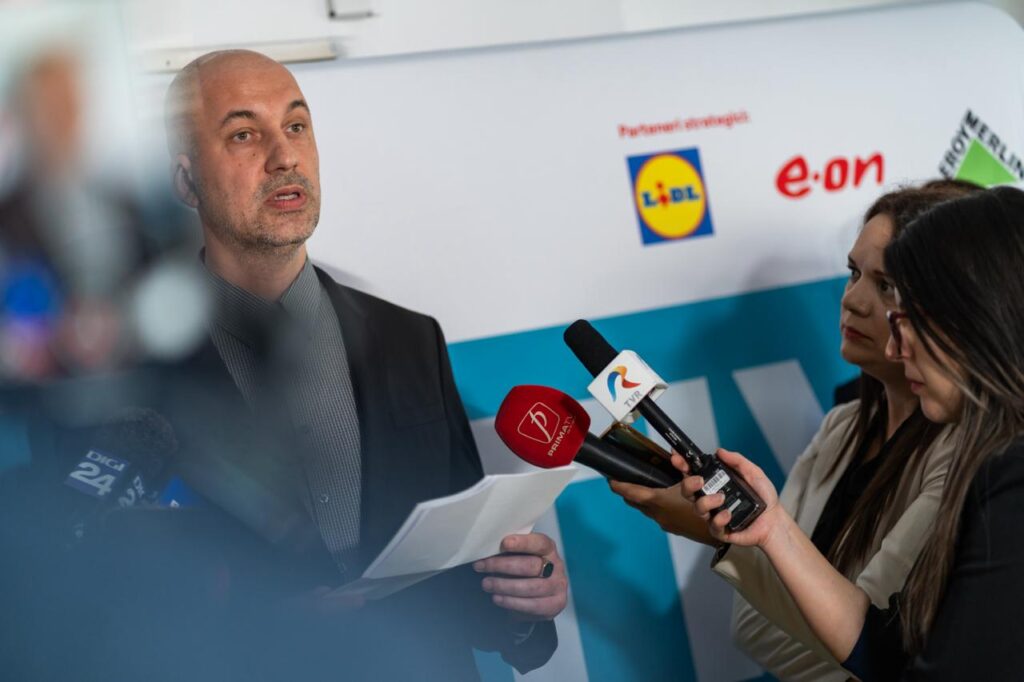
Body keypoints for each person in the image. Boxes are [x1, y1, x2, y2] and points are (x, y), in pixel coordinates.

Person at [153, 49, 566, 680]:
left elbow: (465, 583)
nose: (285, 156)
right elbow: (98, 624)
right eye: (243, 135)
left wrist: (520, 602)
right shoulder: (133, 377)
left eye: (296, 126)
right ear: (186, 182)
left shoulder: (409, 339)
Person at [610, 181, 978, 680]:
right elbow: (755, 631)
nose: (853, 301)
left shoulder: (963, 454)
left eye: (886, 286)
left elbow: (870, 652)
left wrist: (736, 544)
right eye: (853, 273)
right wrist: (738, 541)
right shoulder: (841, 427)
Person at [686, 185, 1024, 680]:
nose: (895, 346)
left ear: (979, 317)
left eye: (903, 305)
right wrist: (772, 529)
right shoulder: (850, 427)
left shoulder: (1003, 472)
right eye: (854, 274)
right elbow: (887, 649)